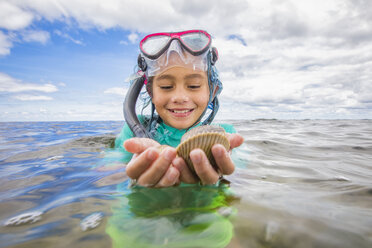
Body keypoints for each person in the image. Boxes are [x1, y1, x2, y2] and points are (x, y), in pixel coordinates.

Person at [115, 30, 244, 187]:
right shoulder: (134, 131)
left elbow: (241, 178)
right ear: (151, 93)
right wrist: (134, 183)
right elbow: (110, 173)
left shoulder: (226, 134)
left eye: (194, 86)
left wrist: (216, 184)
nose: (180, 97)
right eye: (166, 86)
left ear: (213, 91)